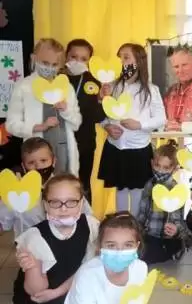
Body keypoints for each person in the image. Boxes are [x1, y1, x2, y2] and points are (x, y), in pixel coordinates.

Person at [12, 174, 98, 304]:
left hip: (76, 286)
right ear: (45, 205)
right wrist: (31, 267)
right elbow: (37, 292)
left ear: (81, 203)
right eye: (55, 202)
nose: (63, 209)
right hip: (44, 297)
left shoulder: (91, 226)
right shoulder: (34, 236)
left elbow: (90, 269)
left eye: (71, 202)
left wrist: (60, 292)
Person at [98, 43, 166, 216]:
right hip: (116, 147)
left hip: (138, 149)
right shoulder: (111, 86)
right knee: (120, 189)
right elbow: (103, 115)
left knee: (137, 191)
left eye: (126, 57)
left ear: (139, 61)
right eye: (120, 57)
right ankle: (121, 222)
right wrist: (107, 126)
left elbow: (161, 118)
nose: (122, 61)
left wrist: (140, 124)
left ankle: (135, 225)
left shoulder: (151, 90)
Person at [6, 38, 81, 175]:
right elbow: (11, 125)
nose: (49, 68)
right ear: (34, 58)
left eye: (54, 64)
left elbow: (76, 123)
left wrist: (66, 111)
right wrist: (39, 127)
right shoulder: (23, 87)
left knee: (65, 185)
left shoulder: (65, 86)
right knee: (39, 185)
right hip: (36, 156)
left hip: (64, 153)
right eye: (45, 63)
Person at [65, 39, 105, 198]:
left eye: (83, 59)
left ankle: (85, 213)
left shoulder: (94, 82)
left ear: (89, 61)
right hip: (59, 140)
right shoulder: (56, 79)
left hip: (85, 143)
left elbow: (98, 117)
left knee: (82, 184)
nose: (77, 62)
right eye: (73, 57)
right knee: (58, 183)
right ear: (66, 56)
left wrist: (101, 100)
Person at [137, 141, 187, 264]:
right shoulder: (149, 185)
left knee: (146, 255)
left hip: (166, 238)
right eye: (157, 166)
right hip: (149, 235)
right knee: (132, 247)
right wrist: (136, 231)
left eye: (166, 168)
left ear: (174, 169)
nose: (160, 171)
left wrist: (175, 230)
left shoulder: (176, 190)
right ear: (152, 163)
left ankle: (176, 249)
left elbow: (179, 221)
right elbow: (142, 213)